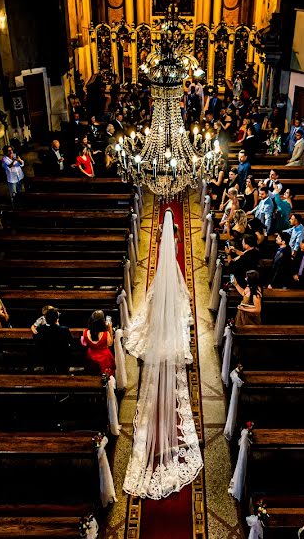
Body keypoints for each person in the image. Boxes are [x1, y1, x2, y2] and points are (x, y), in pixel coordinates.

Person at [123, 209, 202, 499]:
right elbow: (173, 253)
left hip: (164, 274)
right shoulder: (176, 241)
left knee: (159, 303)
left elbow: (162, 254)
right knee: (175, 301)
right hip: (170, 274)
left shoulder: (160, 240)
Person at [37, 307, 81, 373]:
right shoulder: (64, 329)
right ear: (57, 319)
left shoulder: (41, 329)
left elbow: (39, 343)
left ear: (46, 318)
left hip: (46, 358)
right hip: (62, 358)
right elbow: (72, 342)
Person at [81, 310, 116, 375]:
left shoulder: (85, 332)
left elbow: (85, 343)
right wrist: (110, 329)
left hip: (91, 357)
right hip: (105, 359)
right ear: (102, 322)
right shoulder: (105, 333)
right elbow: (110, 344)